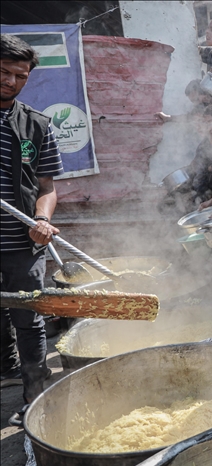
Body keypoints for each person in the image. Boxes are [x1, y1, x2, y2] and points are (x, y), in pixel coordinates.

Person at [0, 34, 64, 426]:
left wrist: (42, 219)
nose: (11, 81)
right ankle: (6, 369)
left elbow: (47, 188)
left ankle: (35, 397)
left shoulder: (37, 125)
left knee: (30, 319)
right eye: (4, 72)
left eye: (20, 76)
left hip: (23, 244)